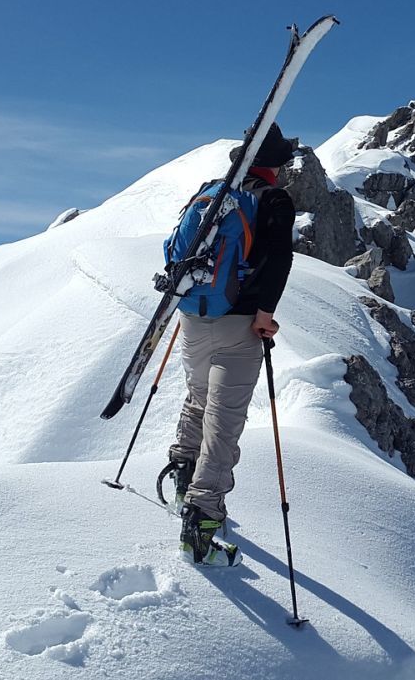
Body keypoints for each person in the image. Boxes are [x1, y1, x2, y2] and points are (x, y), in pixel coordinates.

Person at [166, 124, 297, 564]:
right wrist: (265, 314)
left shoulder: (215, 192)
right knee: (224, 424)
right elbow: (279, 258)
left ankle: (182, 475)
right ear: (275, 163)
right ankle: (201, 524)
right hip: (238, 325)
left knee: (198, 399)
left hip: (193, 314)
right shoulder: (273, 199)